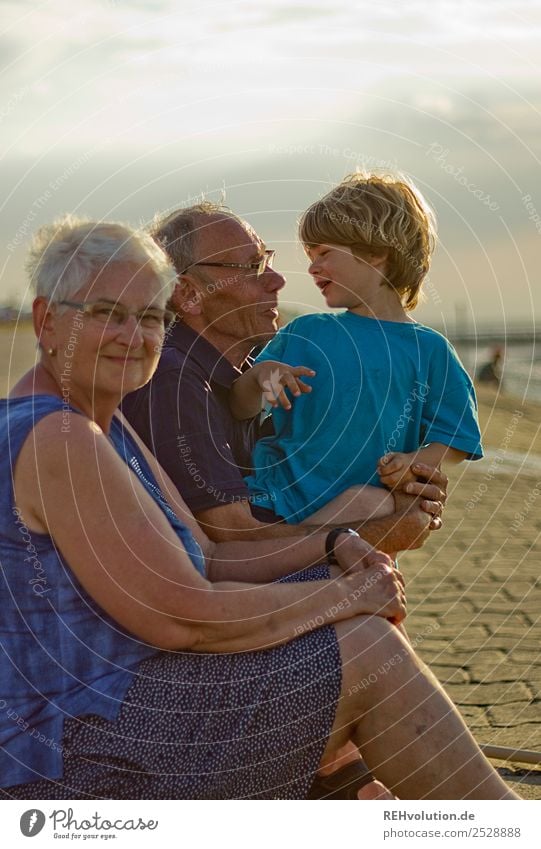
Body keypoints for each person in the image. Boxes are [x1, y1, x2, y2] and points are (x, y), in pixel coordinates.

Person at [0, 214, 517, 800]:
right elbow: (184, 616)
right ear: (46, 319)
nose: (134, 334)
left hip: (118, 707)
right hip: (74, 757)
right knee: (361, 646)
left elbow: (209, 553)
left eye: (148, 317)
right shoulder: (59, 438)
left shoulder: (102, 418)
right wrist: (347, 596)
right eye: (105, 312)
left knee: (340, 607)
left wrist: (333, 548)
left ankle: (356, 790)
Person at [122, 202, 446, 550]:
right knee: (366, 561)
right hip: (211, 594)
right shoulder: (174, 380)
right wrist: (398, 525)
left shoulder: (243, 374)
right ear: (189, 294)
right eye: (251, 267)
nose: (277, 280)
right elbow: (236, 540)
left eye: (268, 260)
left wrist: (409, 480)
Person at [231, 173, 483, 526]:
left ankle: (307, 553)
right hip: (277, 499)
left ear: (376, 252)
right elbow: (240, 408)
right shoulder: (306, 332)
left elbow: (457, 436)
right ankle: (296, 552)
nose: (312, 266)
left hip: (362, 517)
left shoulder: (430, 351)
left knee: (374, 507)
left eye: (323, 253)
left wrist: (415, 460)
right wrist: (259, 378)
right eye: (309, 254)